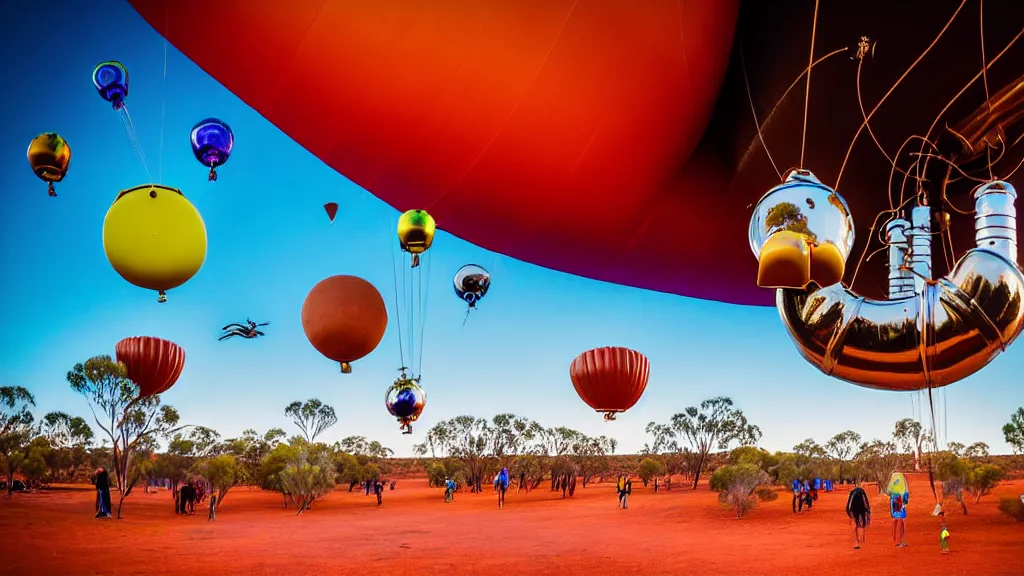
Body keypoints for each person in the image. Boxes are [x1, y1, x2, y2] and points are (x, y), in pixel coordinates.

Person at [846, 481, 871, 549]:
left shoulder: (855, 493)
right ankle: (859, 539)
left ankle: (857, 541)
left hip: (854, 509)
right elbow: (866, 503)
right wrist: (868, 511)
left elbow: (849, 506)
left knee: (855, 524)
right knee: (858, 524)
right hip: (855, 509)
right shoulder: (861, 493)